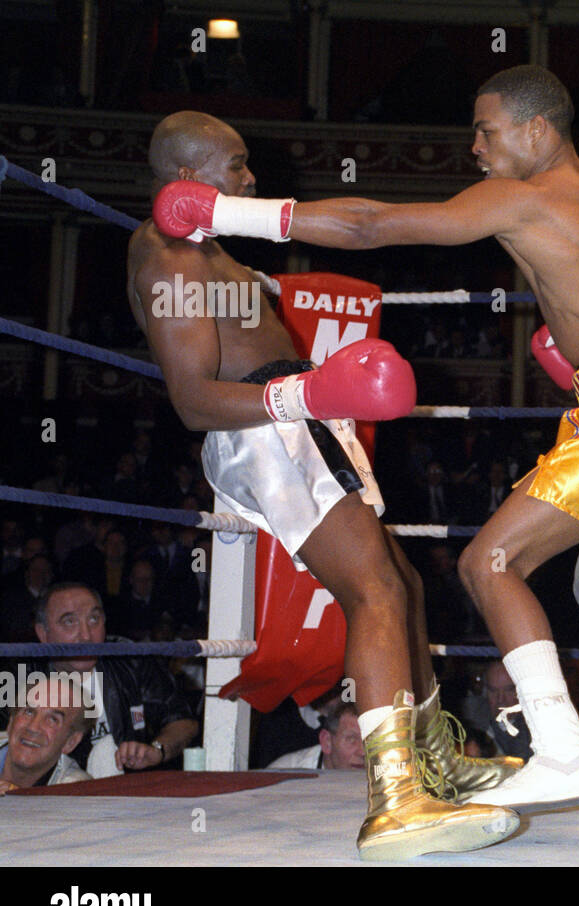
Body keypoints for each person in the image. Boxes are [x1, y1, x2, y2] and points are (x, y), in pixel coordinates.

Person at [153, 66, 579, 814]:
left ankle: (563, 752)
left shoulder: (523, 195)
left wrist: (230, 210)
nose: (475, 147)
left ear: (536, 131)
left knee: (488, 561)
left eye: (486, 131)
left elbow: (370, 225)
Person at [128, 110, 519, 858]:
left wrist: (308, 401)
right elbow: (190, 398)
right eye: (236, 167)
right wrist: (305, 398)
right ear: (186, 178)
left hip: (294, 420)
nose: (249, 180)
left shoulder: (203, 249)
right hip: (266, 430)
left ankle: (433, 762)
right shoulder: (169, 257)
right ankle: (395, 800)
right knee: (372, 590)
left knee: (399, 581)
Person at [32, 583, 197, 778]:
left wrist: (156, 750)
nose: (86, 635)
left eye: (94, 619)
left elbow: (184, 721)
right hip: (53, 799)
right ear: (43, 633)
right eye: (69, 622)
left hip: (128, 795)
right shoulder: (24, 677)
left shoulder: (130, 659)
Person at [0, 676, 93, 792]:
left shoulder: (74, 794)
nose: (33, 727)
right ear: (10, 722)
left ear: (70, 742)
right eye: (28, 712)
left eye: (52, 720)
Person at [269, 704, 366, 770]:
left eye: (370, 739)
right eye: (351, 739)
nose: (363, 752)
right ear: (327, 741)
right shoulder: (284, 776)